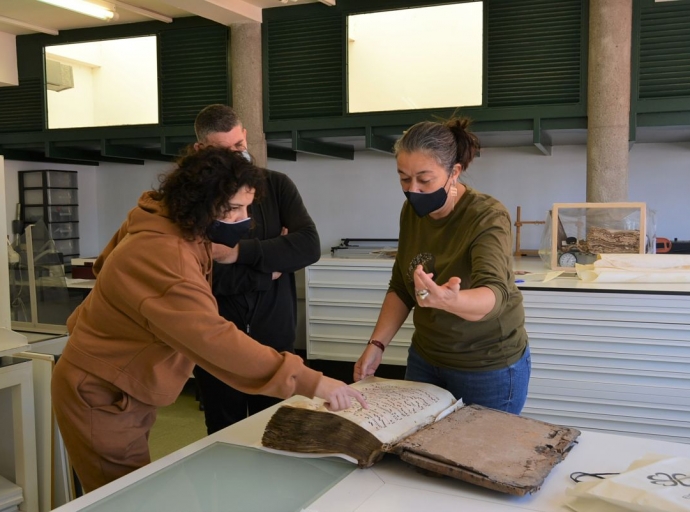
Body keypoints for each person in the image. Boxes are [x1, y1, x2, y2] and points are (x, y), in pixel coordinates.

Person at [51, 147, 366, 493]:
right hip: (102, 387)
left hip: (125, 382)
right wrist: (312, 382)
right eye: (233, 210)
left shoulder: (168, 223)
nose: (245, 221)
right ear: (202, 202)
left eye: (248, 208)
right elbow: (213, 337)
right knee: (123, 496)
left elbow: (103, 265)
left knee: (132, 488)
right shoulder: (165, 253)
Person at [353, 117, 530, 414]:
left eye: (425, 179)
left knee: (476, 455)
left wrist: (452, 300)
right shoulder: (412, 211)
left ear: (454, 172)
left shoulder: (486, 216)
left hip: (487, 366)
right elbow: (401, 285)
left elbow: (495, 294)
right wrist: (377, 344)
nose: (413, 190)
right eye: (404, 178)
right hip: (426, 359)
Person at [191, 104, 322, 433]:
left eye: (239, 147)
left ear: (246, 136)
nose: (235, 157)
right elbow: (201, 275)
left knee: (278, 434)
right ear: (200, 151)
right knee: (224, 438)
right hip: (218, 342)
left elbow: (308, 246)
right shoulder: (191, 201)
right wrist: (270, 268)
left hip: (275, 338)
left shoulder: (277, 186)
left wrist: (237, 253)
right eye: (223, 151)